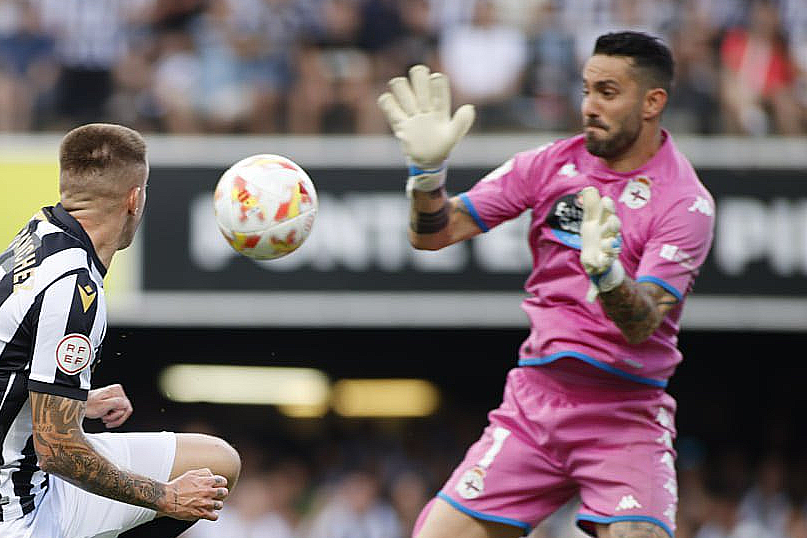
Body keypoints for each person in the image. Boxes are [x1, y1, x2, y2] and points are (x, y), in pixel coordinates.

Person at [378, 31, 715, 538]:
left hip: (625, 415)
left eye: (608, 92)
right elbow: (434, 233)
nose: (590, 106)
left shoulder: (686, 203)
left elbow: (644, 322)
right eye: (586, 90)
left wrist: (608, 278)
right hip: (536, 406)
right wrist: (427, 177)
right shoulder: (550, 164)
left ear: (652, 102)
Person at [0, 123, 242, 538]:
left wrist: (71, 398)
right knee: (187, 491)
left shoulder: (37, 233)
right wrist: (165, 497)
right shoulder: (72, 287)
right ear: (135, 198)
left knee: (215, 464)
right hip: (19, 503)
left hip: (31, 455)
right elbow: (57, 450)